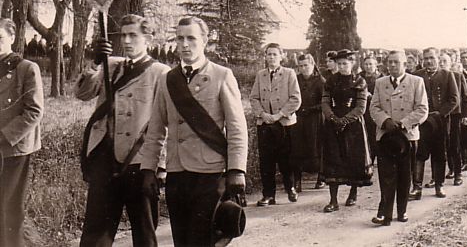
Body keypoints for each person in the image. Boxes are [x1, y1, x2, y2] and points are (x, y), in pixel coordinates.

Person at [139, 16, 248, 247]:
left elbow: (237, 128)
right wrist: (149, 169)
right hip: (177, 173)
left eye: (191, 38)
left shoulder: (222, 75)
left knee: (203, 240)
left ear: (205, 41)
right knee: (182, 241)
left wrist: (237, 170)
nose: (185, 44)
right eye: (180, 39)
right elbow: (156, 129)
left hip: (210, 173)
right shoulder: (168, 79)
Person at [76, 14, 170, 247]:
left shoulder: (160, 72)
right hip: (104, 158)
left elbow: (166, 122)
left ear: (148, 39)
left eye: (133, 35)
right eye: (123, 35)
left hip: (139, 160)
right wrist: (96, 63)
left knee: (144, 233)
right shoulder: (111, 65)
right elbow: (83, 94)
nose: (127, 41)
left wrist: (160, 166)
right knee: (95, 233)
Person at [370, 50, 428, 226]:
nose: (393, 65)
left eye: (396, 62)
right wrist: (385, 121)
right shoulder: (380, 83)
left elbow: (422, 109)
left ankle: (402, 210)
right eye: (390, 62)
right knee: (386, 175)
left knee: (404, 176)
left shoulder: (416, 82)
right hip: (386, 136)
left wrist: (403, 123)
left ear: (405, 64)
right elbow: (374, 107)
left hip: (407, 137)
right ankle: (385, 214)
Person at [0, 19, 43, 247]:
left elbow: (34, 111)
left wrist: (5, 136)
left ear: (12, 39)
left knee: (10, 209)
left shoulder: (25, 68)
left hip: (13, 149)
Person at [321, 49, 373, 212]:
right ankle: (333, 200)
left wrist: (345, 120)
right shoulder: (330, 81)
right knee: (333, 159)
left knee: (353, 158)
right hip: (333, 124)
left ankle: (353, 193)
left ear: (352, 64)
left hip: (353, 126)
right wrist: (333, 118)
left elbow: (361, 107)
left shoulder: (360, 82)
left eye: (345, 63)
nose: (342, 66)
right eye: (339, 64)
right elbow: (325, 102)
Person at [250, 43, 301, 206]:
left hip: (284, 123)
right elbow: (254, 98)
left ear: (281, 56)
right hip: (265, 123)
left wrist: (279, 115)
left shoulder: (289, 73)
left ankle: (290, 188)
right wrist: (263, 115)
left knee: (286, 159)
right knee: (266, 160)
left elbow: (295, 98)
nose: (271, 57)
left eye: (274, 54)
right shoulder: (261, 75)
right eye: (268, 54)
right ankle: (268, 194)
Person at [411, 47, 458, 200]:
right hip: (421, 122)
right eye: (426, 58)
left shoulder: (447, 75)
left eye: (431, 58)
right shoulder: (416, 76)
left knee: (439, 154)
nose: (429, 61)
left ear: (438, 58)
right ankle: (416, 188)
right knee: (419, 154)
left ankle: (439, 185)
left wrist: (440, 113)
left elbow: (454, 99)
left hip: (440, 122)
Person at [293, 53, 326, 191]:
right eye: (300, 66)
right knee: (297, 148)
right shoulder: (295, 79)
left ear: (312, 65)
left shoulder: (320, 81)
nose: (303, 68)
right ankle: (297, 180)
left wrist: (311, 109)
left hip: (315, 119)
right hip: (299, 118)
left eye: (306, 65)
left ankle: (321, 177)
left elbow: (325, 102)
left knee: (317, 147)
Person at [439, 53, 467, 187]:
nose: (442, 64)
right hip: (440, 116)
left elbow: (466, 97)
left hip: (455, 116)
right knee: (442, 145)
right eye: (440, 61)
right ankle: (448, 171)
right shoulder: (435, 78)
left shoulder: (458, 76)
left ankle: (458, 173)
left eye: (445, 61)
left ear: (451, 62)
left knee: (454, 145)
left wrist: (466, 115)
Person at [359, 55, 382, 163]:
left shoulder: (381, 78)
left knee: (373, 136)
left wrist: (370, 96)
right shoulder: (359, 78)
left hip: (374, 111)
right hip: (361, 110)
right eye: (366, 64)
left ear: (376, 65)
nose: (368, 67)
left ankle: (373, 159)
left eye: (370, 64)